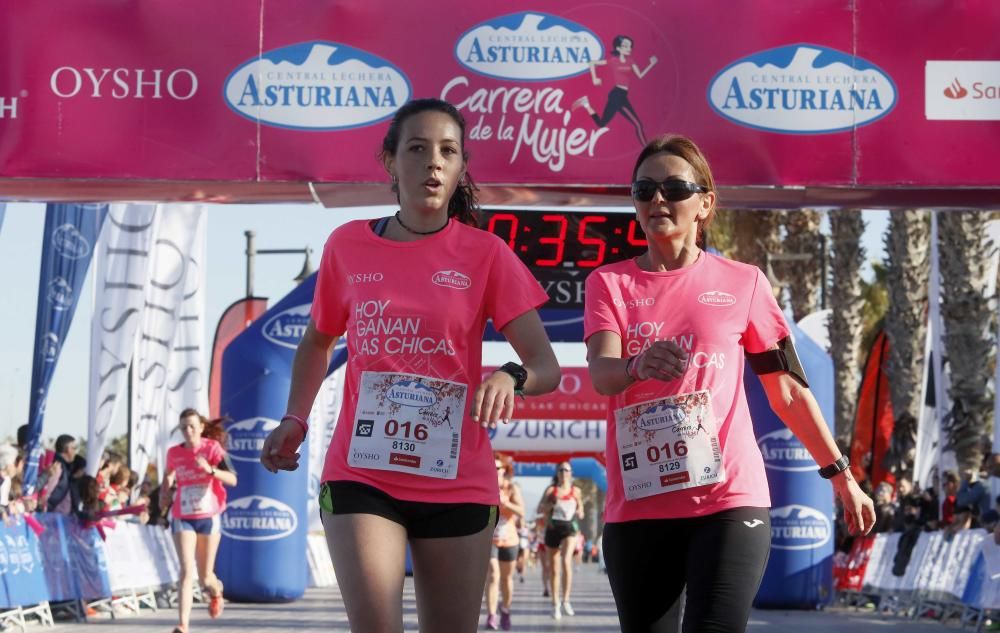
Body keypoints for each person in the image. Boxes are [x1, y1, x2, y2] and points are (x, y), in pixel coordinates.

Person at [259, 97, 560, 633]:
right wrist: (295, 418)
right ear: (391, 161)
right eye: (418, 149)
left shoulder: (486, 254)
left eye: (448, 151)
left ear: (462, 166)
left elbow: (545, 366)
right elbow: (316, 342)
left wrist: (508, 375)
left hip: (456, 479)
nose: (434, 162)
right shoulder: (347, 245)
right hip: (363, 472)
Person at [583, 134, 875, 633]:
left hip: (728, 499)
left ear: (704, 204)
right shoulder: (608, 284)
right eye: (644, 188)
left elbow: (787, 391)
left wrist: (840, 473)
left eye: (674, 188)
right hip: (639, 505)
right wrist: (637, 365)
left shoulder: (746, 283)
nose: (658, 199)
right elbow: (604, 376)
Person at [161, 409, 237, 633]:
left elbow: (232, 479)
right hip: (182, 515)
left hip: (208, 516)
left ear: (201, 427)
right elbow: (168, 474)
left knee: (205, 577)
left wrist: (211, 470)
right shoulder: (173, 452)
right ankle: (183, 624)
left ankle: (215, 591)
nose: (188, 431)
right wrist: (165, 490)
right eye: (184, 427)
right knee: (186, 571)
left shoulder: (212, 448)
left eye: (192, 426)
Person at [572, 35, 657, 145]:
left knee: (602, 123)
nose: (629, 48)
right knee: (638, 125)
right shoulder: (613, 60)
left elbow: (640, 75)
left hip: (620, 95)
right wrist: (594, 78)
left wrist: (651, 64)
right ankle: (647, 149)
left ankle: (586, 104)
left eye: (630, 46)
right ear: (618, 48)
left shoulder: (631, 61)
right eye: (625, 46)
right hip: (617, 95)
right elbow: (592, 63)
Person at [536, 461, 584, 620]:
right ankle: (555, 603)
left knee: (566, 561)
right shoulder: (551, 490)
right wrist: (550, 504)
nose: (564, 472)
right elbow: (540, 509)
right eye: (561, 469)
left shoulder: (576, 491)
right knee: (554, 568)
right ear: (557, 473)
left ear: (571, 473)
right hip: (552, 528)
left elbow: (581, 510)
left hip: (569, 528)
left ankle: (566, 600)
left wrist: (579, 511)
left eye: (567, 469)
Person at [483, 454, 524, 630]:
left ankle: (505, 609)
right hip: (490, 539)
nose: (496, 471)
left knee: (506, 579)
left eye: (499, 468)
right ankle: (492, 615)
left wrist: (506, 503)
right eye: (493, 467)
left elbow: (521, 511)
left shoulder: (512, 488)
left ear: (505, 471)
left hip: (509, 539)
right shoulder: (484, 487)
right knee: (493, 575)